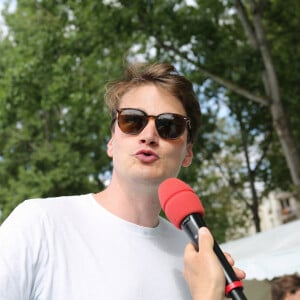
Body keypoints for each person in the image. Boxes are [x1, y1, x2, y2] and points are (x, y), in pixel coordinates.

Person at [0, 62, 245, 300]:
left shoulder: (195, 257)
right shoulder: (40, 224)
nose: (149, 135)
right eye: (132, 121)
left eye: (169, 125)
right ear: (111, 141)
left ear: (188, 152)